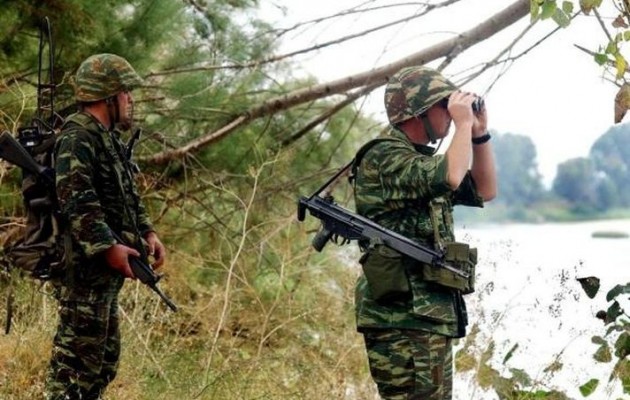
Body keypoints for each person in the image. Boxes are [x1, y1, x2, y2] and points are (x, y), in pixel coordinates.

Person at [352, 66, 496, 399]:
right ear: (417, 110)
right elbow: (450, 177)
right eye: (443, 105)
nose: (450, 113)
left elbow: (485, 189)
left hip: (425, 314)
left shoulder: (422, 162)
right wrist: (462, 124)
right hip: (401, 316)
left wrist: (479, 133)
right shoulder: (384, 156)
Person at [45, 53, 167, 400]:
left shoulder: (106, 137)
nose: (130, 100)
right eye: (126, 92)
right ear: (108, 96)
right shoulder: (78, 136)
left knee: (103, 364)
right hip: (84, 271)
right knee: (74, 372)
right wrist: (107, 248)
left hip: (103, 275)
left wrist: (148, 232)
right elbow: (76, 200)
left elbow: (126, 194)